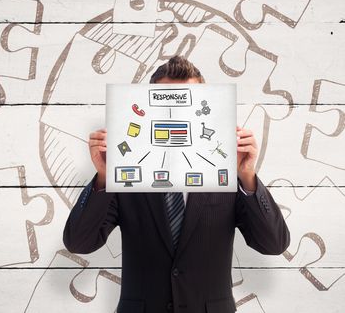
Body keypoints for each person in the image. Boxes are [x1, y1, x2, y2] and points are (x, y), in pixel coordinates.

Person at [63, 56, 290, 313]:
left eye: (186, 106)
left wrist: (248, 177)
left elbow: (274, 244)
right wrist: (104, 177)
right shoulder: (127, 173)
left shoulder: (228, 175)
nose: (175, 118)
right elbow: (79, 243)